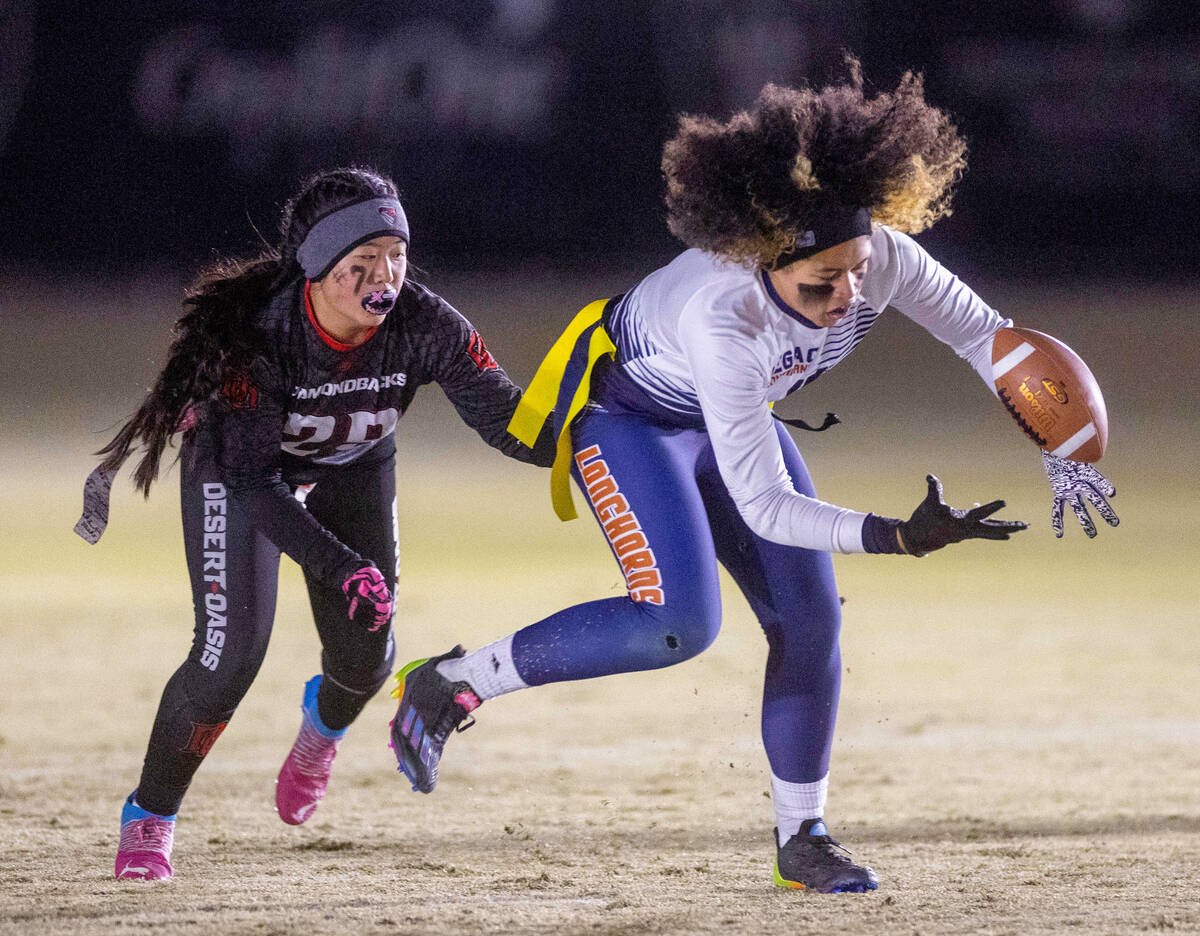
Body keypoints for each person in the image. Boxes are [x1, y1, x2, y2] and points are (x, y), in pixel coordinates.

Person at [386, 62, 1119, 893]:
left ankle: (801, 838)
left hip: (729, 422)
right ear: (762, 263)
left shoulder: (880, 261)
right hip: (635, 425)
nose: (849, 294)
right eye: (820, 281)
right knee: (677, 625)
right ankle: (453, 683)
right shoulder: (722, 318)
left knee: (812, 620)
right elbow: (768, 506)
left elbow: (991, 341)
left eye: (857, 268)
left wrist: (1065, 447)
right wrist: (894, 536)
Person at [76, 167, 555, 881]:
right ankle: (151, 816)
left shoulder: (425, 324)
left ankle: (321, 728)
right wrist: (342, 566)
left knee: (368, 656)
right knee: (228, 655)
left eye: (395, 258)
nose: (384, 282)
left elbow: (511, 425)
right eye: (360, 266)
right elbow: (254, 484)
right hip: (244, 472)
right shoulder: (258, 337)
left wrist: (606, 440)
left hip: (352, 466)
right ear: (314, 269)